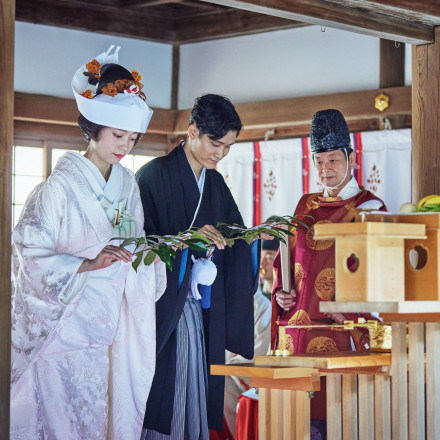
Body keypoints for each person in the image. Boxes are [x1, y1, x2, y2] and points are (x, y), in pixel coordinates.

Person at [10, 45, 166, 439]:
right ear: (93, 129)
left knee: (103, 419)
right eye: (118, 135)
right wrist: (85, 264)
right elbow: (27, 253)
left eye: (132, 138)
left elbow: (134, 240)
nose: (125, 146)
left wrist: (155, 256)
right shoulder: (58, 189)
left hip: (110, 326)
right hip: (64, 328)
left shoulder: (126, 184)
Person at [137, 94, 262, 439]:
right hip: (166, 310)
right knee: (168, 391)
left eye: (227, 148)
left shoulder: (216, 184)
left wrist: (255, 239)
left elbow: (236, 237)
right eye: (215, 143)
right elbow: (139, 247)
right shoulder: (152, 176)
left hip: (204, 306)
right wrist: (186, 240)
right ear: (192, 131)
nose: (219, 154)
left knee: (198, 391)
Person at [271, 109, 386, 439]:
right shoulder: (304, 205)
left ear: (351, 157)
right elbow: (287, 264)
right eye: (319, 161)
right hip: (298, 337)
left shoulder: (369, 208)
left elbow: (380, 275)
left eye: (333, 160)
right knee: (295, 426)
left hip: (341, 335)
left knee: (338, 423)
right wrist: (282, 293)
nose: (325, 169)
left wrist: (350, 309)